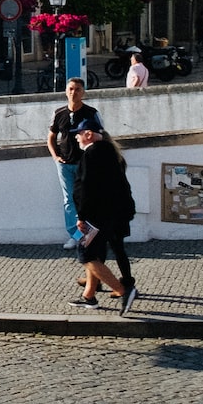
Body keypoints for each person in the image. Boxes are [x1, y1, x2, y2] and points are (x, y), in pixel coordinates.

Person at [72, 126, 137, 313]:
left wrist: (81, 216)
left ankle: (123, 290)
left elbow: (86, 188)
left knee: (86, 254)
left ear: (88, 134)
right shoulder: (111, 154)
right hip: (111, 215)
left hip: (93, 216)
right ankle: (89, 296)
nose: (76, 137)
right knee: (95, 253)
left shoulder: (91, 154)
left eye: (78, 134)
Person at [46, 79, 104, 249]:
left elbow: (101, 136)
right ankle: (76, 236)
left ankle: (92, 234)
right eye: (71, 89)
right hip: (64, 164)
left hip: (85, 163)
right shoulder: (59, 113)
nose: (74, 93)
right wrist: (56, 157)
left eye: (77, 89)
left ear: (83, 92)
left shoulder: (91, 113)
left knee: (88, 197)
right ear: (66, 91)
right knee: (69, 200)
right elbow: (51, 137)